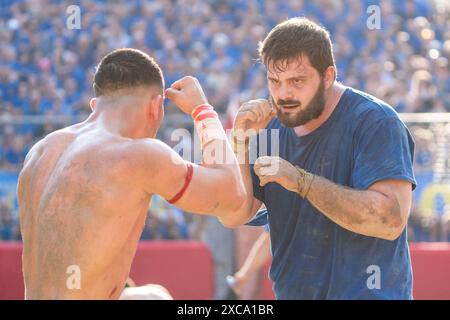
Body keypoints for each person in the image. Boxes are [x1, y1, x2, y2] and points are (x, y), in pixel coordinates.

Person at [17, 48, 246, 299]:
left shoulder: (40, 151)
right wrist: (203, 111)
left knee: (151, 297)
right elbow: (232, 194)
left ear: (95, 105)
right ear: (155, 107)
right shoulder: (139, 154)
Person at [228, 18, 416, 299]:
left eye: (297, 81)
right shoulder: (270, 127)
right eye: (275, 81)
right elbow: (235, 214)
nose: (283, 93)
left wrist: (301, 181)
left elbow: (389, 221)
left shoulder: (376, 121)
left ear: (328, 76)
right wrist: (239, 143)